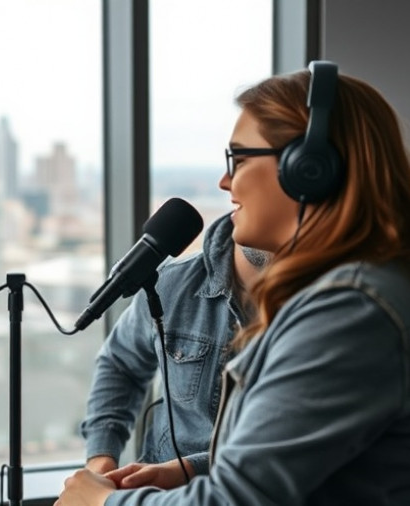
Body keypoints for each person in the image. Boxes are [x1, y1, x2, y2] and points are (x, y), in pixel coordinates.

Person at [57, 63, 410, 505]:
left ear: (309, 170)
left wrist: (98, 502)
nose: (225, 182)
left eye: (239, 160)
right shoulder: (351, 299)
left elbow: (236, 500)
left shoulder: (351, 311)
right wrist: (183, 468)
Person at [81, 212, 268, 485]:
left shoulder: (333, 312)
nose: (226, 183)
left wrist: (187, 470)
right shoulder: (174, 284)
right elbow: (120, 364)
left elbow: (292, 446)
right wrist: (101, 455)